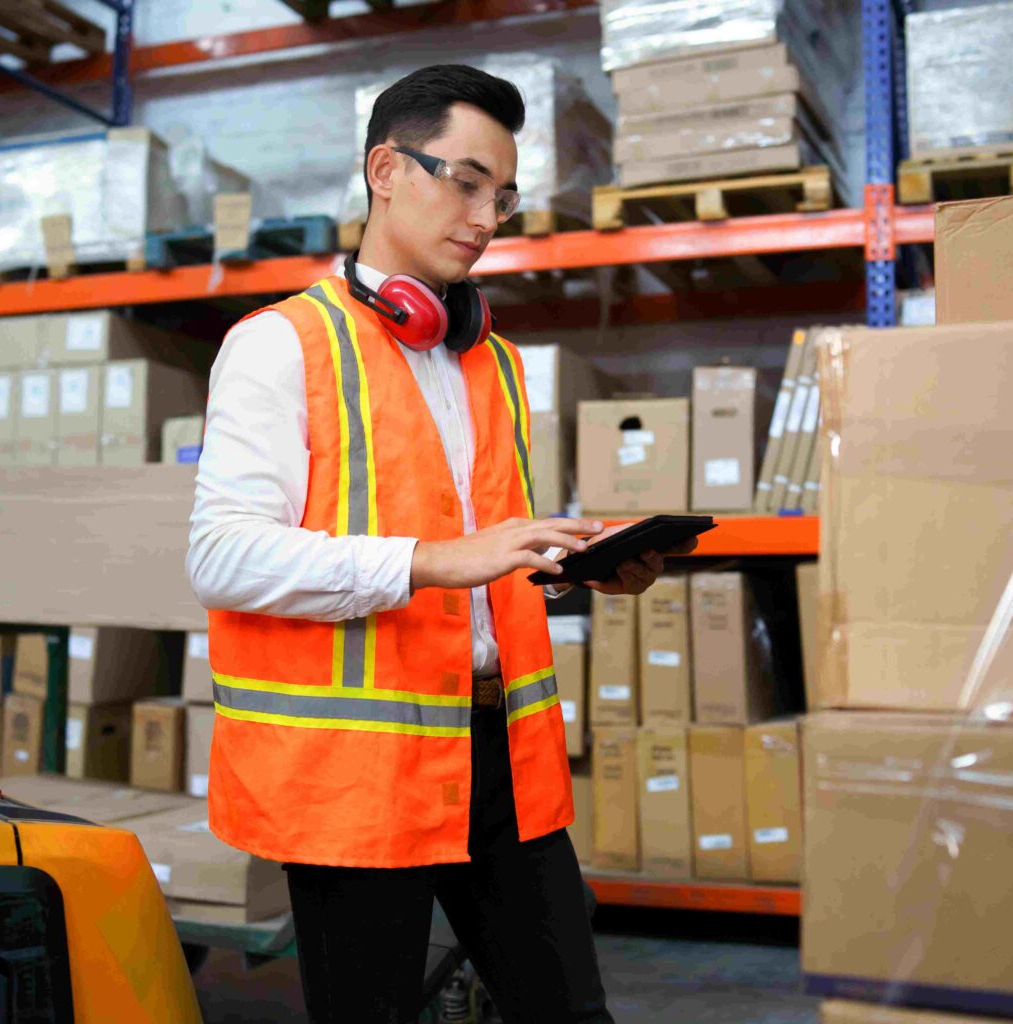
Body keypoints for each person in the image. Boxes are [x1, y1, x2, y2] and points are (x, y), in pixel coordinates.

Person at [188, 63, 692, 1023]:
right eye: (463, 182)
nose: (486, 215)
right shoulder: (280, 345)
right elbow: (221, 556)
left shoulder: (493, 361)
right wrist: (426, 561)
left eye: (502, 195)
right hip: (357, 773)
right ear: (385, 169)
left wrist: (569, 570)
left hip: (502, 751)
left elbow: (487, 561)